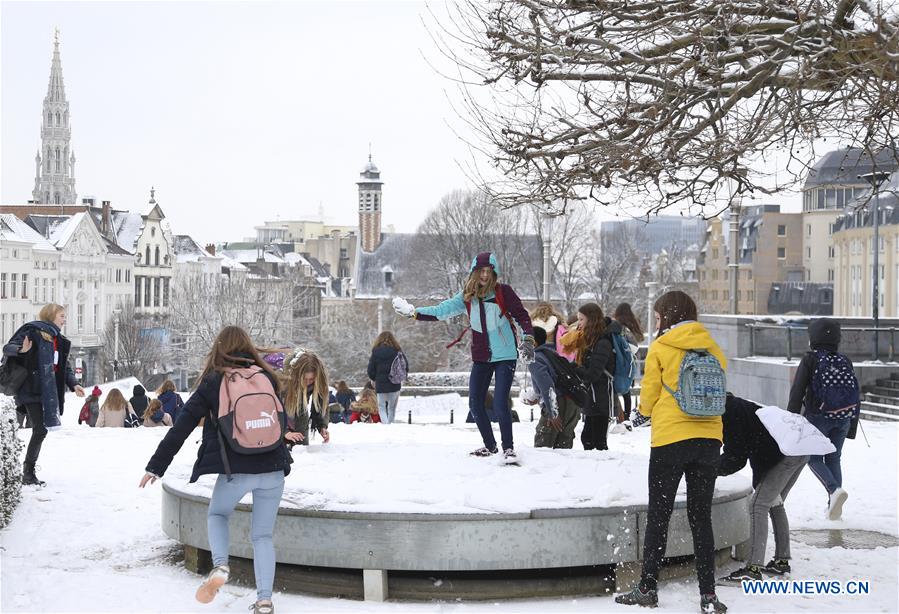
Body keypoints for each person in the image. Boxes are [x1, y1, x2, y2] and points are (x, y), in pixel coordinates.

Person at [140, 326, 294, 614]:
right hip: (273, 469)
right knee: (262, 536)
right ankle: (264, 600)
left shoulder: (214, 382)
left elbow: (182, 427)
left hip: (236, 470)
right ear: (248, 347)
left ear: (218, 349)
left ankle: (221, 565)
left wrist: (155, 466)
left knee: (218, 513)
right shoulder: (267, 378)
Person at [615, 290, 728, 613]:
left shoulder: (662, 348)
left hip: (670, 440)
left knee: (659, 516)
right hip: (709, 440)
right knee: (700, 517)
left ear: (668, 316)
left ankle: (648, 587)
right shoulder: (713, 348)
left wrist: (642, 414)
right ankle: (708, 596)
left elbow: (649, 395)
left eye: (658, 316)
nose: (656, 321)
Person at [396, 252, 534, 464]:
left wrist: (527, 340)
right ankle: (490, 445)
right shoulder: (467, 297)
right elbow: (441, 310)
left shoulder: (503, 292)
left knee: (499, 403)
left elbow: (522, 317)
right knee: (475, 403)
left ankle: (508, 449)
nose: (485, 275)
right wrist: (414, 312)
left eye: (489, 271)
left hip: (506, 355)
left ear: (494, 273)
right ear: (474, 272)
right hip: (481, 356)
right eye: (481, 271)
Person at [718, 394, 808, 583]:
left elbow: (736, 457)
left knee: (758, 505)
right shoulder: (741, 406)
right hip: (798, 446)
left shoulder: (730, 414)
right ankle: (781, 561)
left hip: (785, 454)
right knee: (775, 503)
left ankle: (752, 569)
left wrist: (712, 468)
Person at [2, 303, 85, 485]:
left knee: (41, 430)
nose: (65, 320)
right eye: (62, 316)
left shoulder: (58, 339)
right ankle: (28, 472)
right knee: (40, 429)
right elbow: (8, 347)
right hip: (30, 389)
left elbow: (64, 366)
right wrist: (21, 350)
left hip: (47, 391)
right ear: (51, 315)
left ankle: (28, 471)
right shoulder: (33, 331)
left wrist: (74, 384)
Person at [786, 317, 858, 520]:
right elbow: (854, 393)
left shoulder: (810, 359)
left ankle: (834, 491)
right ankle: (833, 505)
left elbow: (797, 390)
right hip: (843, 417)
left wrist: (792, 419)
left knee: (813, 458)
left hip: (818, 417)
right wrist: (851, 425)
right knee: (834, 458)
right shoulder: (845, 360)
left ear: (813, 338)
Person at [561, 303, 617, 451]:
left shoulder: (602, 343)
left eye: (581, 319)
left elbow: (593, 374)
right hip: (592, 397)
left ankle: (599, 469)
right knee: (588, 439)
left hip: (600, 397)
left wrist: (573, 367)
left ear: (591, 320)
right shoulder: (589, 341)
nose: (578, 323)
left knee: (595, 441)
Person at [524, 326, 580, 449]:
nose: (520, 345)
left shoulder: (535, 359)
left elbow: (547, 386)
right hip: (572, 402)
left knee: (544, 447)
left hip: (558, 403)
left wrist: (553, 412)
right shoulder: (552, 353)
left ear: (534, 343)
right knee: (564, 448)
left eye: (524, 341)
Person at [282, 350, 331, 446]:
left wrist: (322, 426)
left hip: (301, 412)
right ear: (297, 376)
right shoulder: (283, 381)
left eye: (312, 379)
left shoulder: (320, 381)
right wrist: (285, 432)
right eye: (304, 379)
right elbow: (274, 411)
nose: (308, 382)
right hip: (281, 419)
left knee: (302, 448)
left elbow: (321, 405)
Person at [613, 302, 645, 423]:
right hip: (632, 361)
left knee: (616, 388)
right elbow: (640, 339)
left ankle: (619, 416)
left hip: (621, 359)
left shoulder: (618, 324)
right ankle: (626, 416)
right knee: (627, 391)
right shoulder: (633, 323)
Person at [366, 331, 407, 424]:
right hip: (395, 383)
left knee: (381, 407)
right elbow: (405, 366)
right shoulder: (397, 351)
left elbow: (370, 369)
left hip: (381, 384)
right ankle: (391, 424)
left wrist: (374, 378)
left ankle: (386, 426)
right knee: (392, 408)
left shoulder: (375, 352)